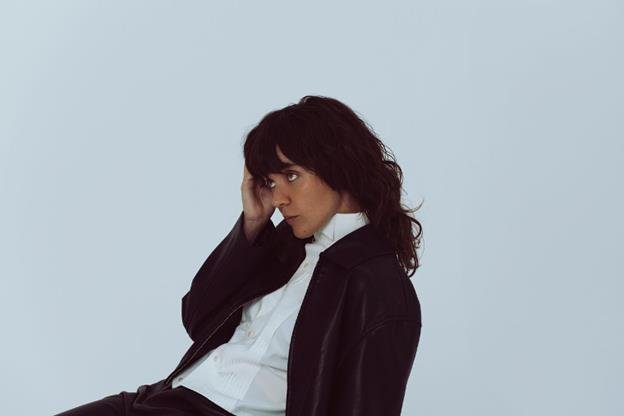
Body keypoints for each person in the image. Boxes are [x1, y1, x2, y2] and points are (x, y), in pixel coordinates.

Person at [55, 95, 423, 416]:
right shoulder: (287, 246)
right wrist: (253, 223)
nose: (279, 199)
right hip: (162, 398)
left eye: (291, 176)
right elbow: (197, 318)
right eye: (271, 182)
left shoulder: (379, 287)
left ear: (338, 166)